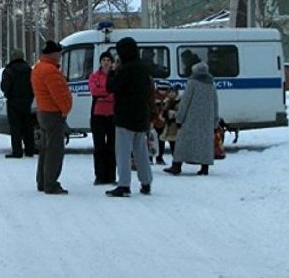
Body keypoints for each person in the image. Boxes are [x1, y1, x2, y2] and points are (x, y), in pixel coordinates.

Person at [105, 37, 153, 197]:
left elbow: (111, 87)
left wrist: (112, 71)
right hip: (141, 115)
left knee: (123, 152)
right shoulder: (143, 68)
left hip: (125, 116)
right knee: (141, 151)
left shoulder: (125, 70)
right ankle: (146, 182)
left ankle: (124, 184)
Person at [31, 40, 72, 195]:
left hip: (43, 111)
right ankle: (51, 183)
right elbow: (58, 94)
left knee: (45, 149)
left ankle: (42, 180)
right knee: (55, 150)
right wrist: (66, 108)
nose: (60, 56)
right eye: (59, 53)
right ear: (53, 53)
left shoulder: (38, 68)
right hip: (53, 113)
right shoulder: (50, 71)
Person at [164, 61, 219, 176]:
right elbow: (215, 104)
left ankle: (177, 166)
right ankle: (204, 168)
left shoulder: (192, 82)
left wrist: (179, 119)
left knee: (182, 142)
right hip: (206, 120)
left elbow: (185, 102)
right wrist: (215, 122)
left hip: (191, 119)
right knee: (204, 143)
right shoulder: (211, 84)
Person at [0, 49, 35, 159]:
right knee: (28, 127)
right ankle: (30, 150)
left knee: (15, 127)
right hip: (27, 101)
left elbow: (4, 86)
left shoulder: (8, 70)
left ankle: (17, 151)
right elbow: (34, 84)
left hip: (13, 102)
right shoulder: (29, 70)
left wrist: (8, 94)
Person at [88, 51, 116, 185]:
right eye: (104, 60)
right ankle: (99, 176)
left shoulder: (115, 76)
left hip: (112, 114)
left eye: (108, 60)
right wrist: (108, 91)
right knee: (99, 147)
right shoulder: (94, 76)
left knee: (112, 146)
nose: (106, 62)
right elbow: (94, 91)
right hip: (97, 115)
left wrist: (104, 93)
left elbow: (117, 92)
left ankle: (111, 176)